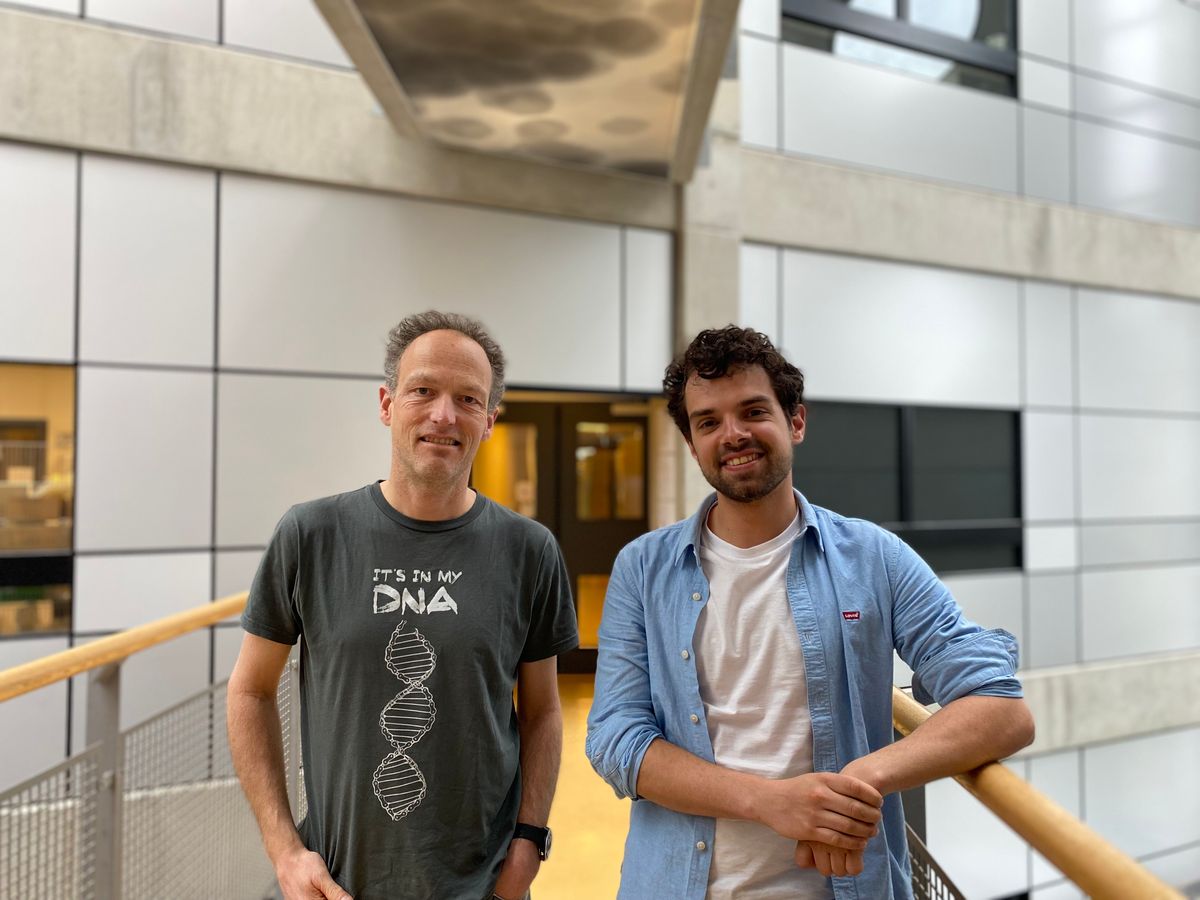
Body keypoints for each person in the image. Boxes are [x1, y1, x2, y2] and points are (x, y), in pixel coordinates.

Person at [586, 325, 1034, 899]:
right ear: (692, 443)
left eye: (753, 411)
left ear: (795, 422)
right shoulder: (643, 569)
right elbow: (616, 738)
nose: (733, 434)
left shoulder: (874, 558)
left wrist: (864, 776)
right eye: (709, 422)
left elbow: (1003, 710)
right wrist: (769, 802)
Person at [227, 311, 578, 900]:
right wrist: (285, 851)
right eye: (424, 391)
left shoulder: (529, 550)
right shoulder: (312, 534)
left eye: (468, 399)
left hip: (483, 885)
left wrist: (528, 844)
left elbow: (542, 711)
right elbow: (249, 691)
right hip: (338, 884)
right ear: (388, 404)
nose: (444, 415)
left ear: (489, 422)